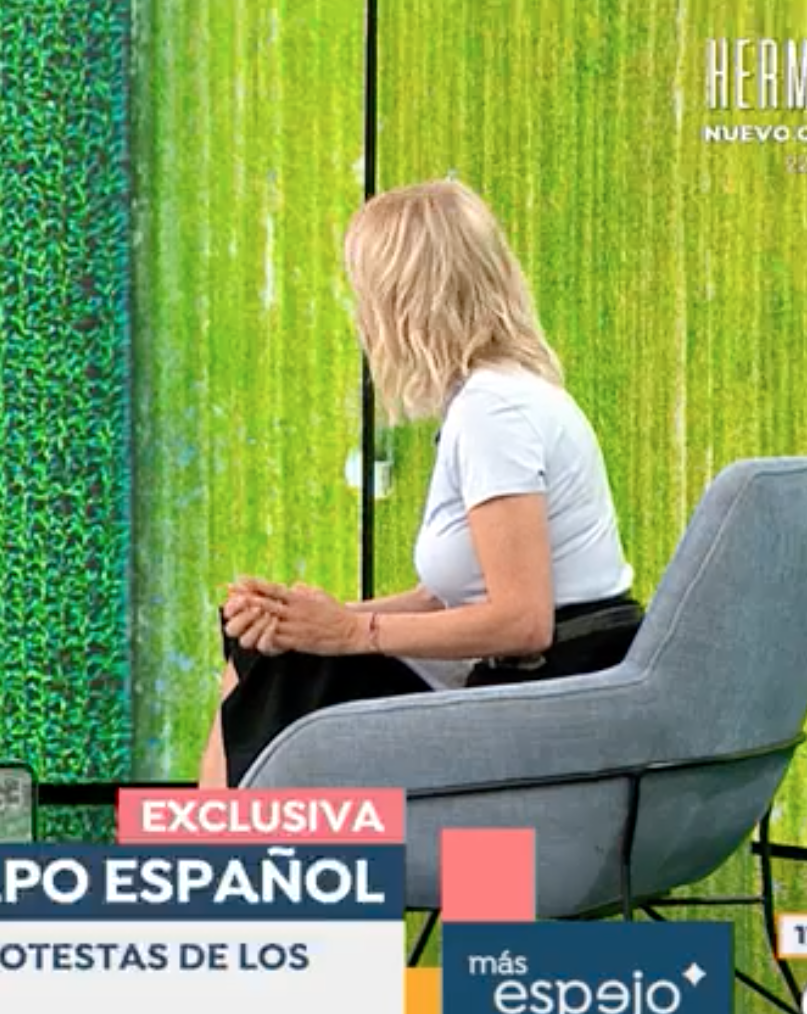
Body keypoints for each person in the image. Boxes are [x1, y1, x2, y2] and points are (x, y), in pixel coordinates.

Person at [201, 179, 642, 790]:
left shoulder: (494, 412)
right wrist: (306, 619)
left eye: (365, 294)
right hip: (533, 684)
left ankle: (209, 842)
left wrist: (350, 633)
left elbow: (524, 621)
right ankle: (212, 838)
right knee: (274, 647)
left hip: (535, 699)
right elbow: (448, 596)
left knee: (282, 670)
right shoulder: (497, 398)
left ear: (405, 302)